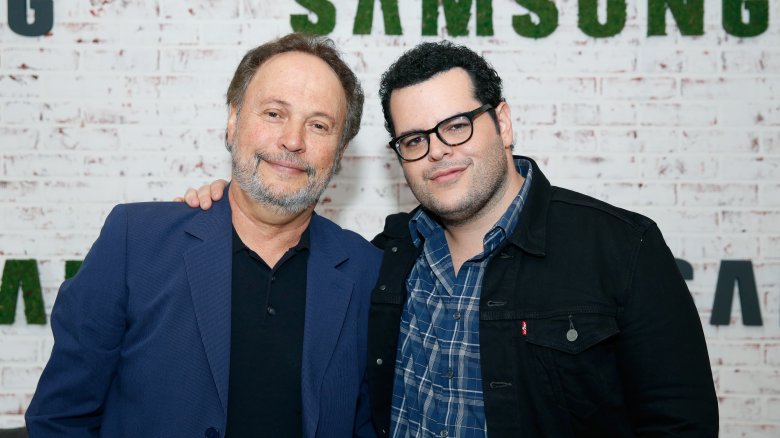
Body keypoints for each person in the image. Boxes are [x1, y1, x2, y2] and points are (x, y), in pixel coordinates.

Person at [183, 41, 719, 437]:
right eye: (415, 138)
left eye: (457, 125)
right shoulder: (385, 256)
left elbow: (680, 424)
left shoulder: (623, 249)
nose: (438, 150)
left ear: (502, 123)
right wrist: (227, 203)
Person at [25, 33, 381, 438]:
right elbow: (60, 420)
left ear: (339, 151)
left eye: (318, 125)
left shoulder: (368, 273)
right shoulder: (134, 243)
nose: (293, 141)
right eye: (274, 114)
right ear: (233, 121)